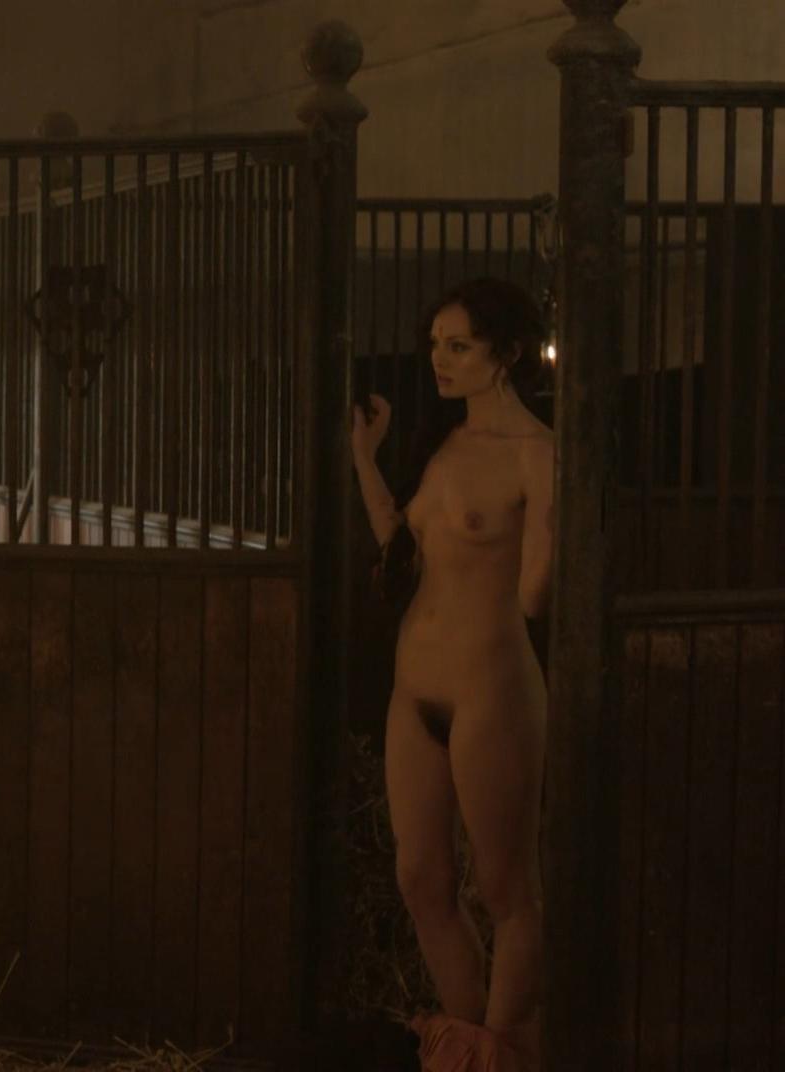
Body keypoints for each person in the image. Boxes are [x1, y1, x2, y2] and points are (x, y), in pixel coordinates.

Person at [349, 277, 554, 1072]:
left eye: (458, 345)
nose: (439, 358)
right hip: (413, 692)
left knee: (505, 889)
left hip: (488, 691)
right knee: (419, 877)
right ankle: (466, 1049)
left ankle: (503, 1055)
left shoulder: (539, 454)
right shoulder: (446, 440)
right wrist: (365, 458)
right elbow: (400, 545)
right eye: (435, 343)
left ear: (505, 355)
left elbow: (535, 596)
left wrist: (557, 521)